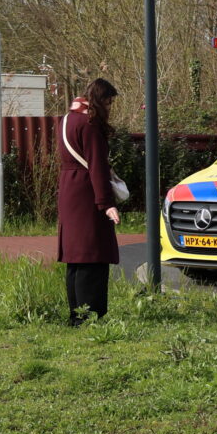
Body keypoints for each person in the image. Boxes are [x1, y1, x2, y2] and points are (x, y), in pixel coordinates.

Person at [57, 79, 122, 325]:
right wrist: (107, 204)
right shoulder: (90, 124)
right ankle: (89, 315)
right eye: (109, 101)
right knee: (93, 256)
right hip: (88, 194)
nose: (110, 106)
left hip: (68, 190)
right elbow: (97, 166)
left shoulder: (65, 120)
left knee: (75, 257)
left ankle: (76, 314)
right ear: (101, 99)